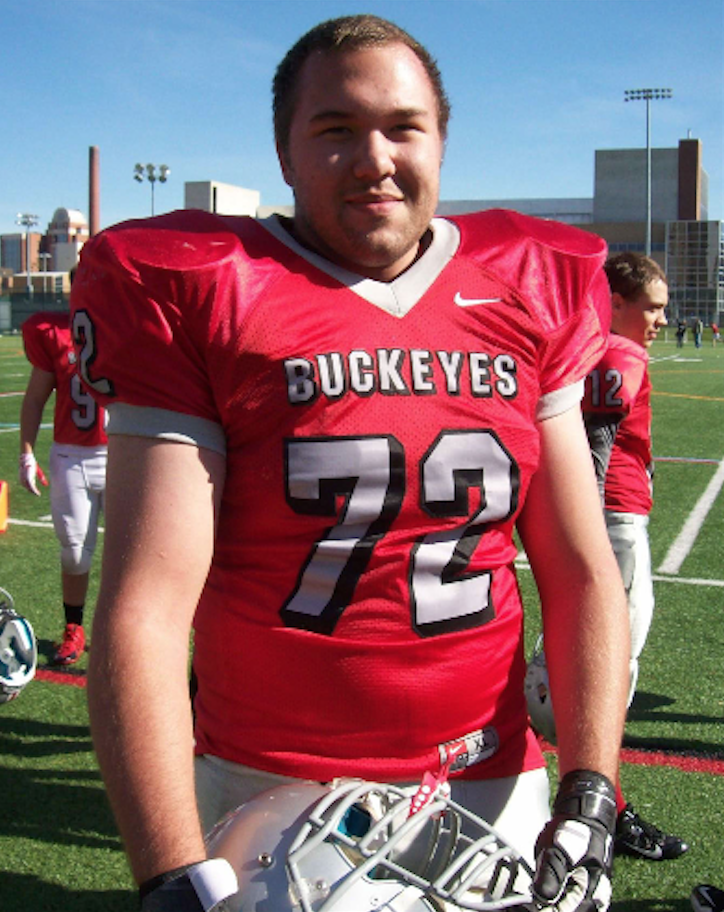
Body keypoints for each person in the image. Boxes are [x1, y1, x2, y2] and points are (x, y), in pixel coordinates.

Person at [71, 15, 630, 911]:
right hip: (268, 781)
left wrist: (592, 785)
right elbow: (146, 606)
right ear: (285, 154)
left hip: (492, 774)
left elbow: (580, 570)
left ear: (440, 142)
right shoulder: (209, 288)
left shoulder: (530, 281)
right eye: (336, 130)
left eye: (403, 127)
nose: (375, 159)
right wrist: (168, 872)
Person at [582, 252, 688, 861]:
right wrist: (591, 521)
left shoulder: (588, 347)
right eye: (651, 307)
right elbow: (598, 438)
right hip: (614, 521)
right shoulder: (621, 352)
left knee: (592, 671)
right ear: (616, 303)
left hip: (609, 516)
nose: (660, 320)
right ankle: (605, 813)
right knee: (607, 678)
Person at [19, 280, 107, 666]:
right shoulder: (54, 333)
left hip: (123, 454)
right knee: (74, 555)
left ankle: (119, 631)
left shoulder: (132, 327)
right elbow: (35, 397)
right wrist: (26, 453)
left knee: (130, 554)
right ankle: (74, 627)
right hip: (72, 456)